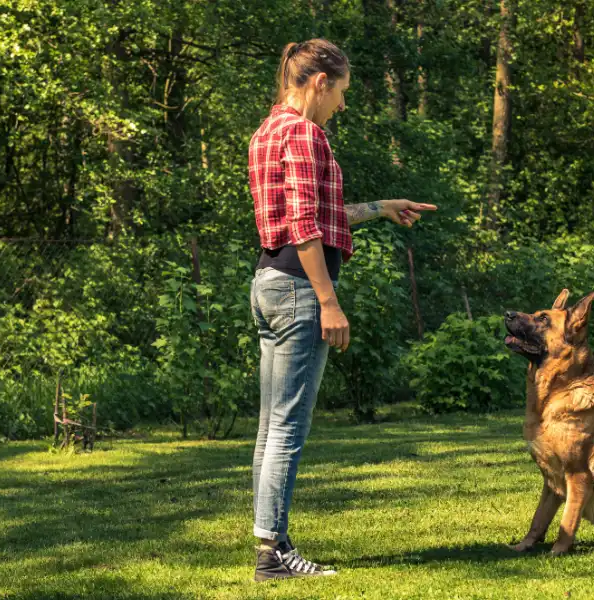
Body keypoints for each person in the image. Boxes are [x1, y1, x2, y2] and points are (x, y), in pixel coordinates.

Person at [247, 38, 437, 582]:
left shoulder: (268, 131)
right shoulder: (306, 134)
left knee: (269, 428)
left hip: (269, 280)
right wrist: (329, 301)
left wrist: (383, 208)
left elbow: (318, 215)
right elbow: (306, 226)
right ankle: (273, 554)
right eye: (343, 93)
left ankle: (270, 542)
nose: (343, 106)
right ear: (320, 82)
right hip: (299, 290)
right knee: (288, 428)